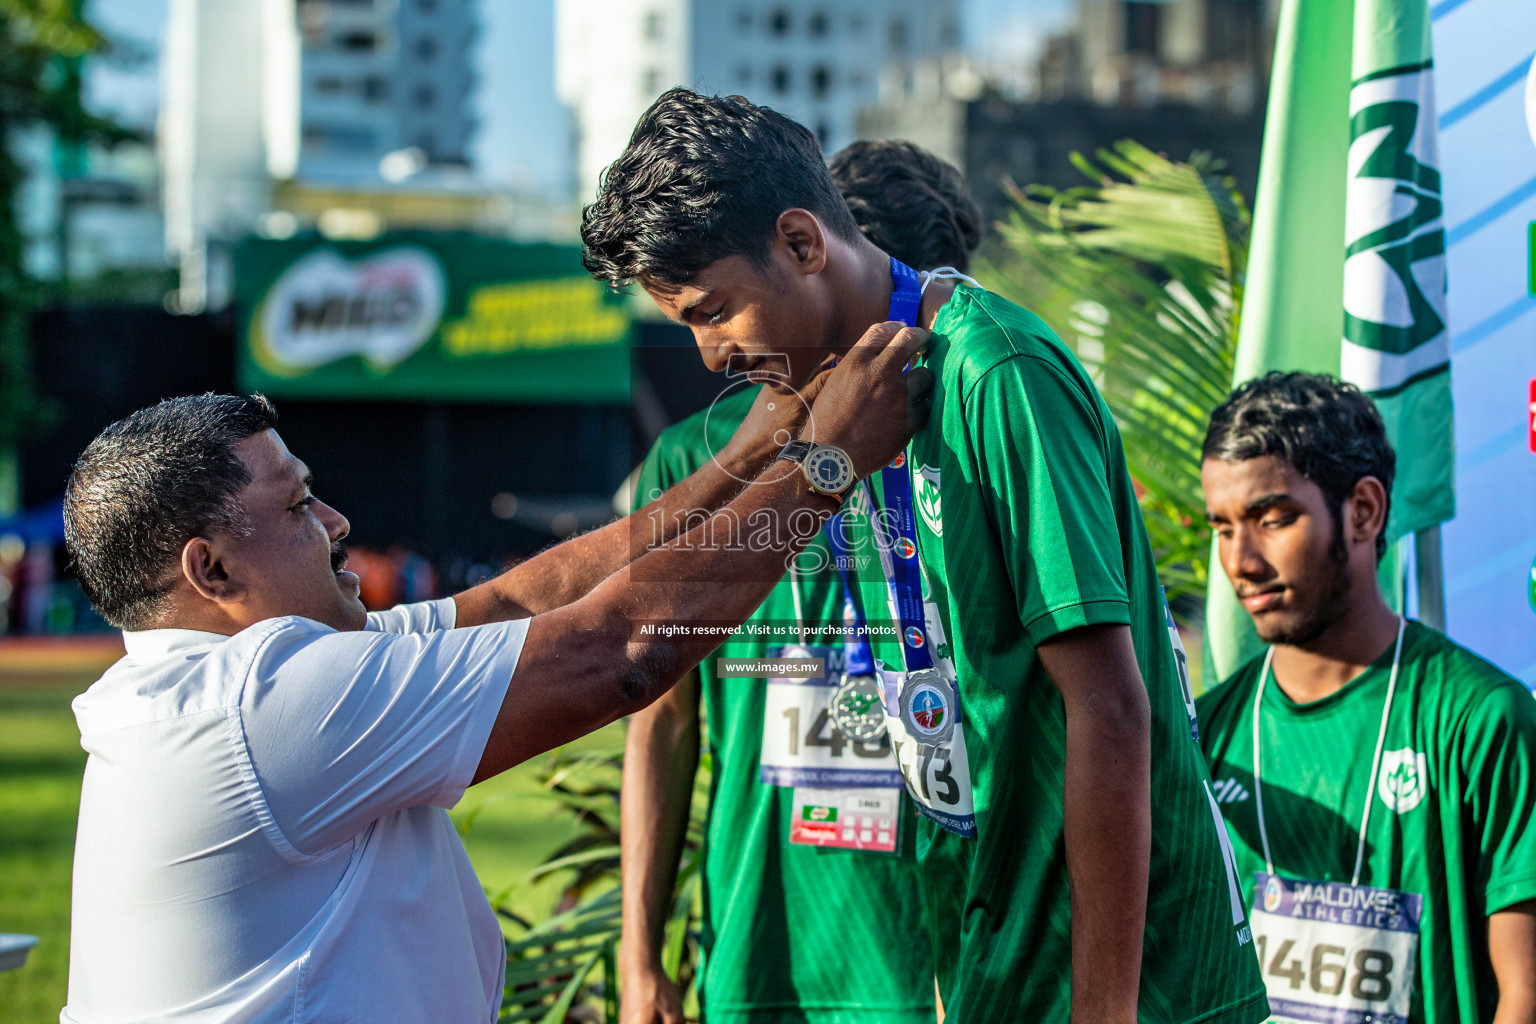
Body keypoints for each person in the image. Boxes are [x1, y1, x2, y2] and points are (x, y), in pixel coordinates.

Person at [582, 87, 1266, 1024]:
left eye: (713, 311)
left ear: (802, 243)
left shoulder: (996, 377)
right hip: (1000, 952)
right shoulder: (844, 408)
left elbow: (1109, 709)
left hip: (1123, 979)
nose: (707, 356)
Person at [59, 325, 929, 1024]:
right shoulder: (262, 706)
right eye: (295, 507)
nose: (335, 521)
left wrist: (757, 445)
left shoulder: (220, 684)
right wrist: (828, 461)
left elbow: (519, 603)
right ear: (209, 571)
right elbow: (617, 654)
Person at [619, 138, 982, 1024]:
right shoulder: (693, 461)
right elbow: (659, 717)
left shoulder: (972, 437)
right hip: (759, 959)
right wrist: (639, 960)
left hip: (940, 969)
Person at [1197, 372, 1536, 1024]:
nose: (1240, 559)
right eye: (1222, 527)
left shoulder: (1482, 718)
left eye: (1273, 519)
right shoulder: (1207, 736)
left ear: (1363, 511)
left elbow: (1527, 990)